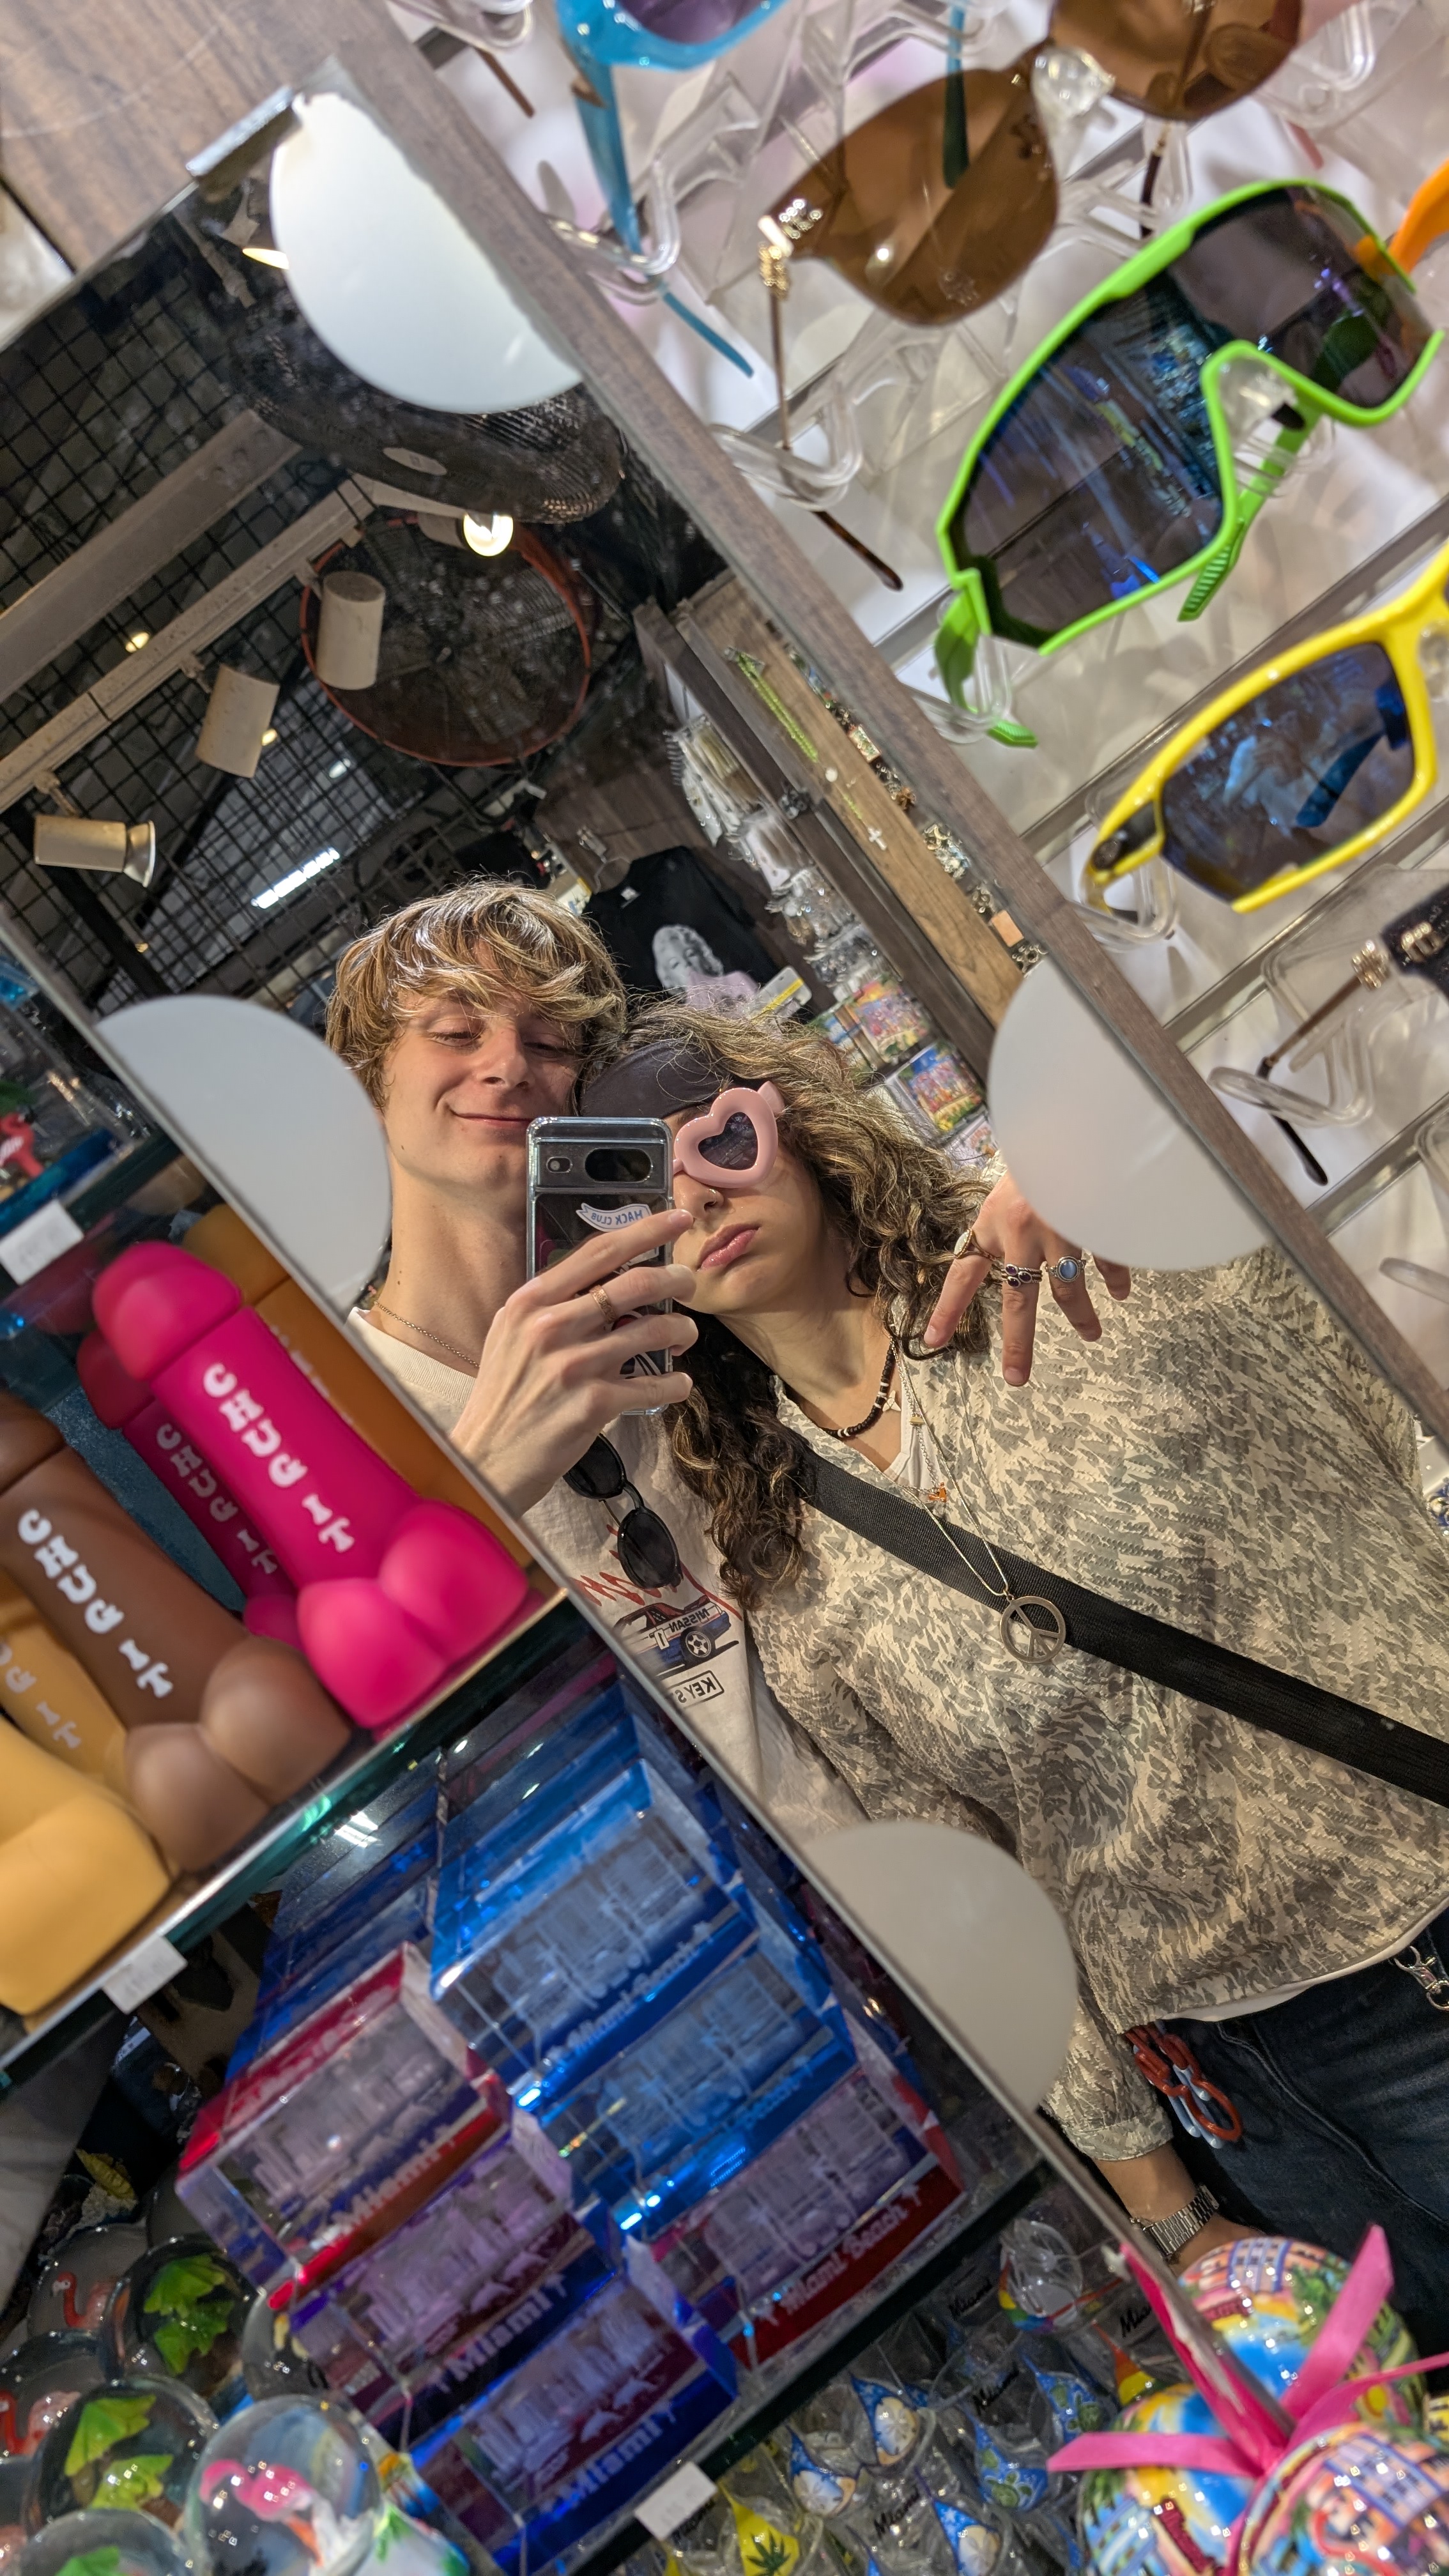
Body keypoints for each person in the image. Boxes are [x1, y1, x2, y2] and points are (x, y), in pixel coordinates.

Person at [583, 1001, 1449, 2343]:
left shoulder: (1068, 1259)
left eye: (721, 1142)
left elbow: (1395, 1364)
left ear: (794, 1124)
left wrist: (1133, 1138)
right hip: (1254, 2085)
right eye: (639, 1203)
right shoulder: (787, 1565)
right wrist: (1167, 2213)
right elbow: (980, 1902)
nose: (695, 1205)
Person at [323, 879, 858, 1837]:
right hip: (667, 1900)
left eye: (549, 1042)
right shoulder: (339, 1416)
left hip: (888, 1853)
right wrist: (480, 1488)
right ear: (366, 1090)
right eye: (456, 1032)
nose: (507, 1066)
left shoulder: (685, 1309)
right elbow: (336, 1756)